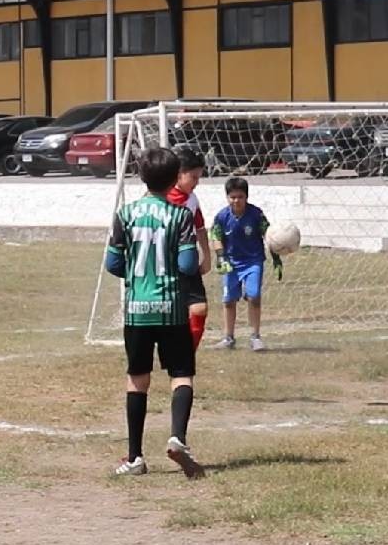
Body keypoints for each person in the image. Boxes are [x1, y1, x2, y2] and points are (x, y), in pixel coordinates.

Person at [106, 147, 203, 479]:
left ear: (142, 176)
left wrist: (138, 273)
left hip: (137, 311)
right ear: (175, 177)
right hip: (172, 308)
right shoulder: (181, 216)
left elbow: (113, 263)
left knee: (137, 380)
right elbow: (189, 264)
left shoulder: (125, 214)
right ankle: (177, 436)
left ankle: (135, 457)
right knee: (181, 374)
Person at [209, 177, 282, 352]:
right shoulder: (222, 216)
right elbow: (216, 237)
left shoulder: (256, 214)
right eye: (232, 197)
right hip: (231, 263)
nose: (236, 201)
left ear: (246, 197)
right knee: (228, 301)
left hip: (253, 261)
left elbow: (269, 236)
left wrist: (276, 257)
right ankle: (228, 337)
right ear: (227, 197)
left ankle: (255, 337)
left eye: (240, 197)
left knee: (254, 296)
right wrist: (220, 257)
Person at [166, 146, 211, 351]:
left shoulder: (192, 199)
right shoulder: (160, 198)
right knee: (172, 312)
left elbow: (200, 228)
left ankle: (186, 353)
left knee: (200, 309)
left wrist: (207, 256)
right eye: (193, 177)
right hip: (165, 261)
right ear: (179, 174)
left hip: (189, 258)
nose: (197, 182)